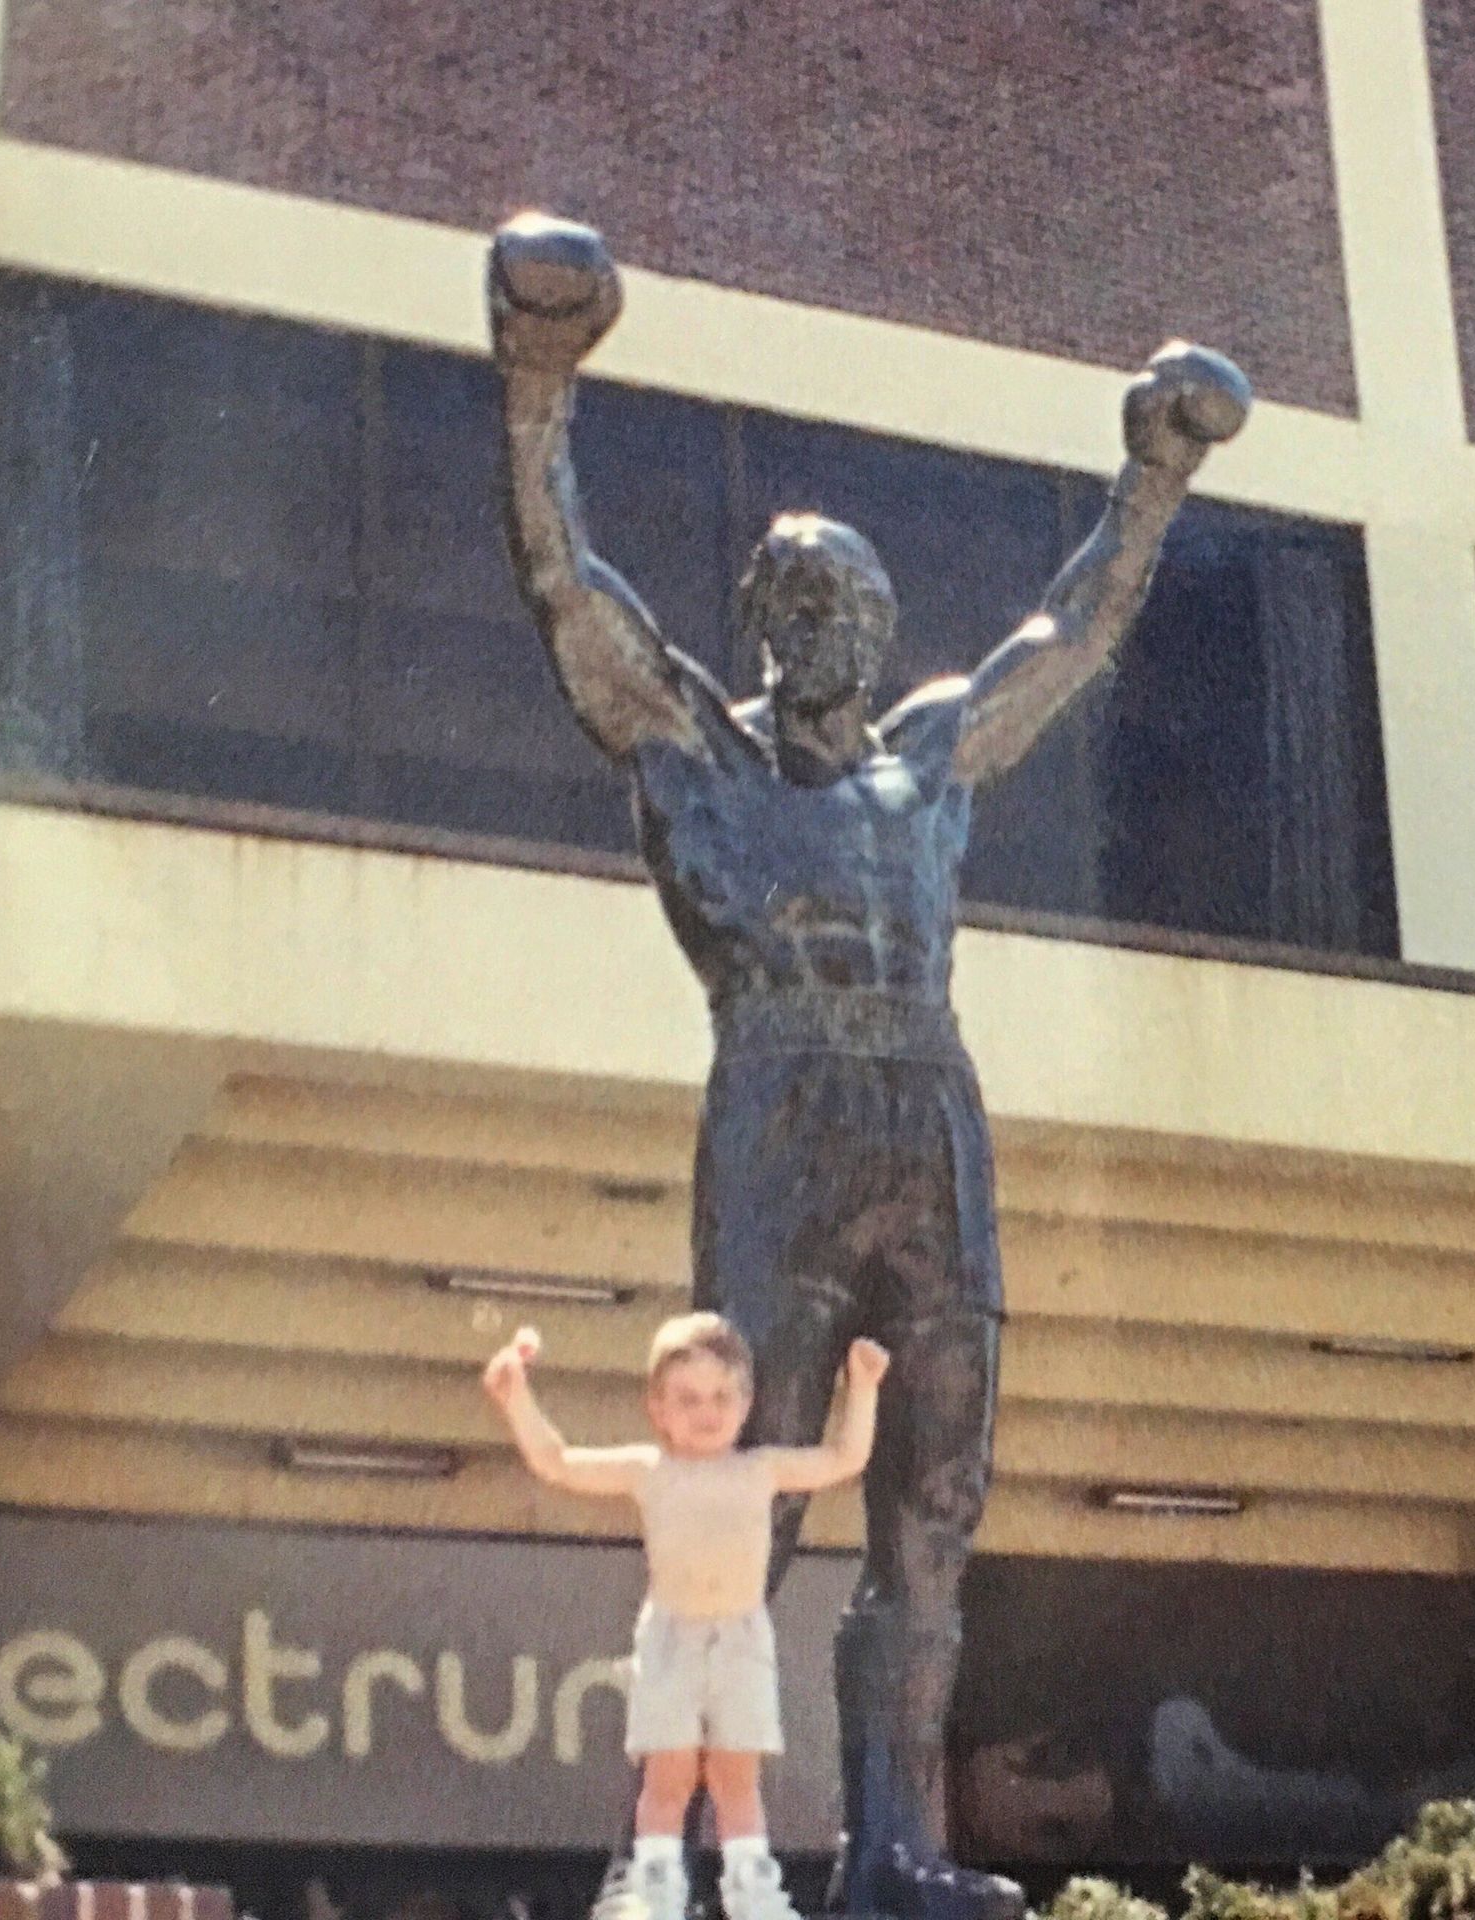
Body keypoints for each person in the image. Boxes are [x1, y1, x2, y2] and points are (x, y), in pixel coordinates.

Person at [488, 213, 1249, 1920]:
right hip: (780, 1118)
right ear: (763, 623)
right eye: (800, 594)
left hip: (931, 1116)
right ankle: (693, 1857)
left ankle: (901, 1850)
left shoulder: (930, 766)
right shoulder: (696, 752)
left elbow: (1066, 644)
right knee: (731, 1517)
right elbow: (567, 596)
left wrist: (1152, 485)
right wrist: (537, 383)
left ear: (884, 625)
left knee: (937, 1506)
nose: (827, 617)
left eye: (852, 598)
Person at [484, 1312, 891, 1920]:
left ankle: (752, 1891)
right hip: (672, 1636)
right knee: (668, 1773)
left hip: (741, 1638)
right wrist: (515, 1396)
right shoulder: (650, 1471)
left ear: (747, 1402)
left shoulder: (761, 1469)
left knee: (736, 1776)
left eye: (722, 1396)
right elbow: (559, 1460)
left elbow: (844, 1457)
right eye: (689, 1398)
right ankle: (653, 1889)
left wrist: (863, 1386)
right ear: (658, 1408)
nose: (707, 1411)